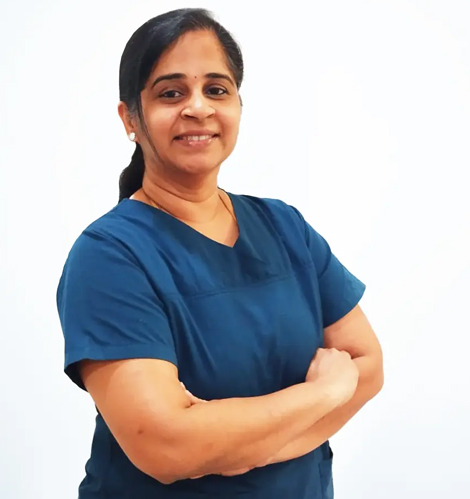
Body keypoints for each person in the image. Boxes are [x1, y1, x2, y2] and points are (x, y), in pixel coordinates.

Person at [56, 7, 384, 498]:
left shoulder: (285, 228)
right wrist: (325, 391)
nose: (198, 108)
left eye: (216, 89)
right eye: (171, 93)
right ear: (130, 119)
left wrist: (237, 448)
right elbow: (166, 446)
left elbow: (369, 365)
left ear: (238, 106)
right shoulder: (110, 256)